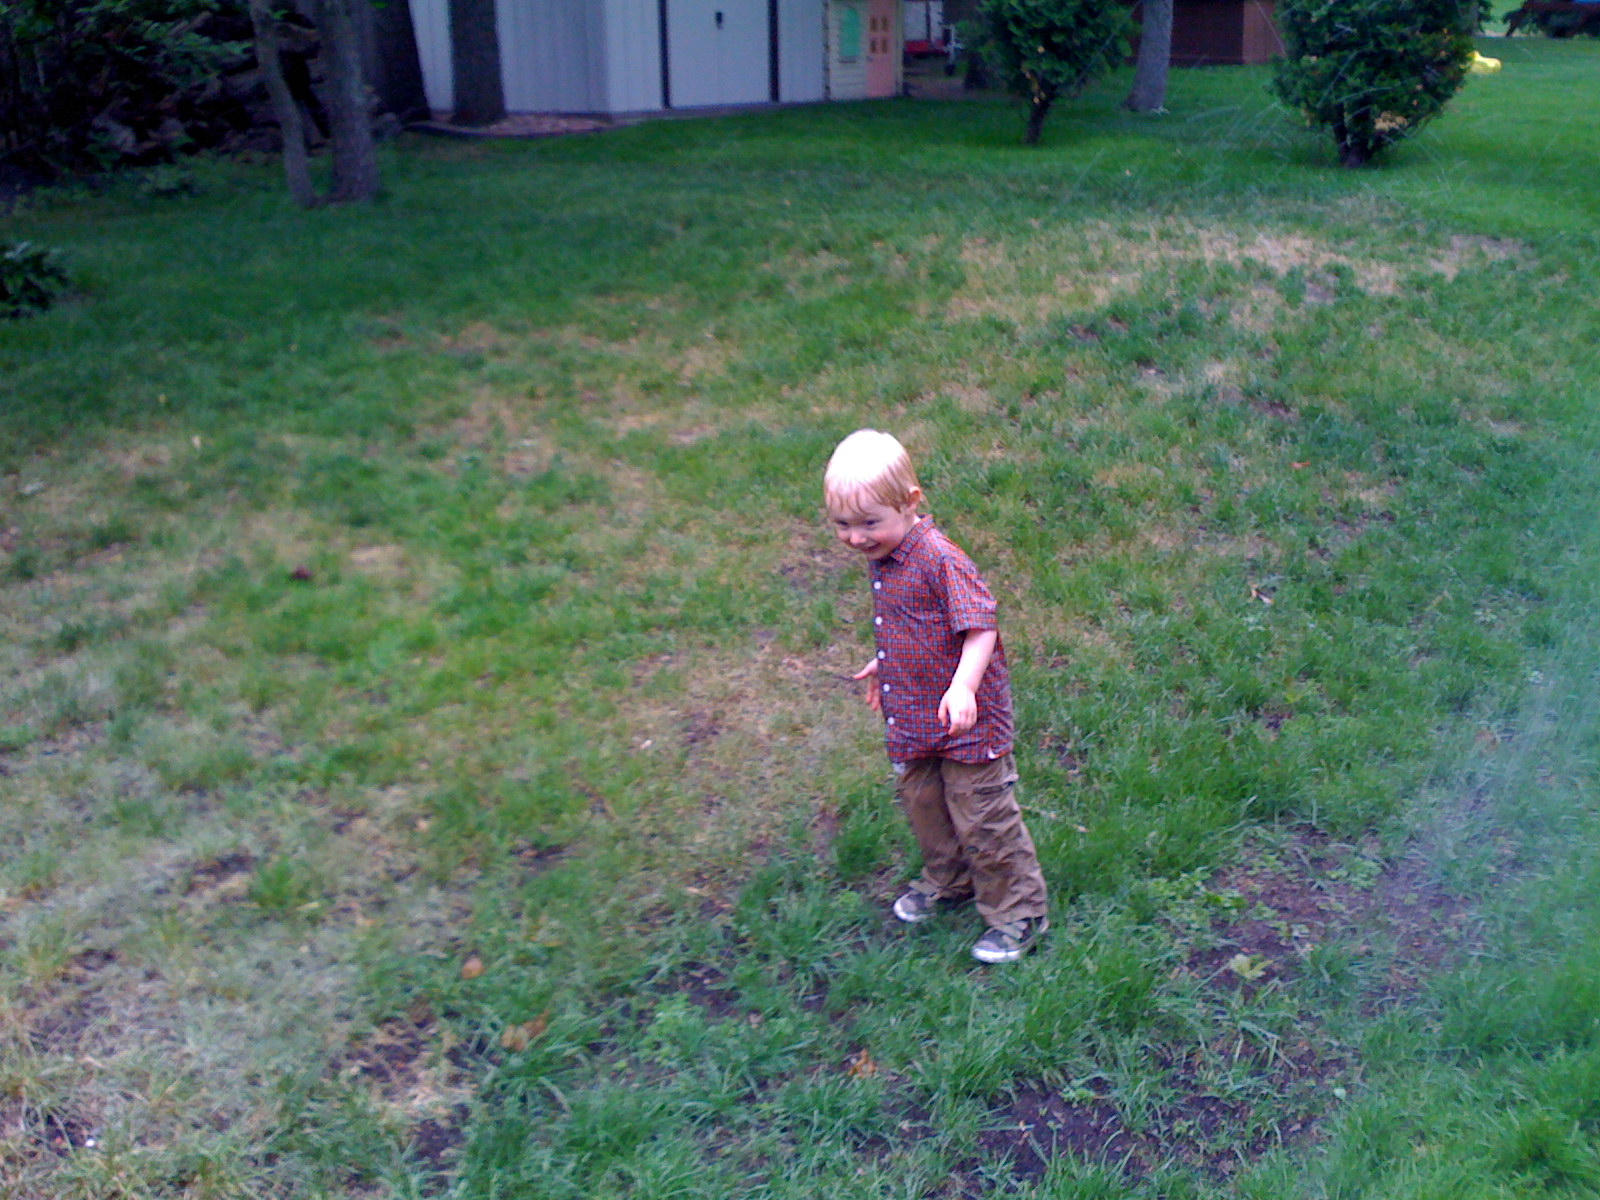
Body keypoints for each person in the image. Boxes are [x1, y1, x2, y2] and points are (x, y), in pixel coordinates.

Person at [823, 429, 1049, 963]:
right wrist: (887, 663)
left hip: (967, 720)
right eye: (842, 524)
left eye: (869, 522)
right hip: (916, 716)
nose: (855, 538)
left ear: (910, 502)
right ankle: (950, 881)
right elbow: (916, 625)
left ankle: (1018, 913)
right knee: (925, 804)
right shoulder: (888, 553)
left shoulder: (939, 558)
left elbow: (980, 626)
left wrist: (964, 685)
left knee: (982, 814)